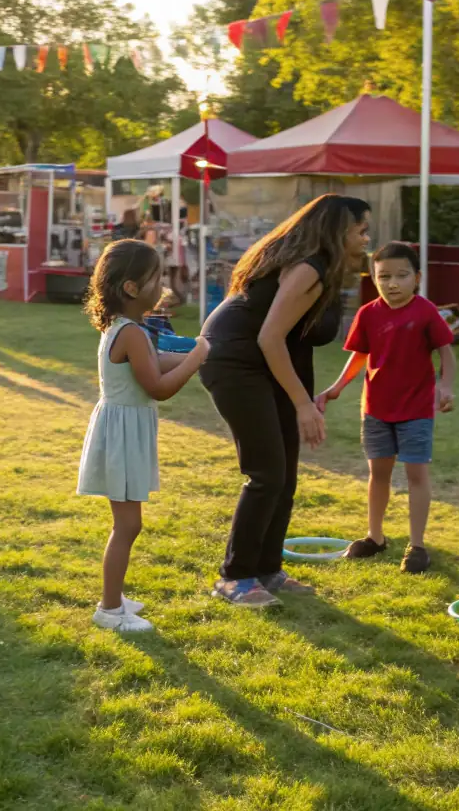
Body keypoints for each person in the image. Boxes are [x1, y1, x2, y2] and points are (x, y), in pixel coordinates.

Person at [200, 194, 372, 607]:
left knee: (285, 473)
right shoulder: (308, 269)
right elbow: (269, 337)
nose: (367, 240)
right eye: (361, 231)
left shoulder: (324, 271)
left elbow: (295, 344)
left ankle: (267, 569)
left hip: (265, 362)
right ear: (337, 232)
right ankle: (234, 578)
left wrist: (305, 398)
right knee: (266, 473)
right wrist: (301, 405)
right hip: (237, 361)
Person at [77, 240, 208, 632]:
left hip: (124, 431)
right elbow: (159, 387)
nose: (163, 285)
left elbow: (155, 363)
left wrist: (197, 355)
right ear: (132, 288)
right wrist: (198, 357)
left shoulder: (128, 329)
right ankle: (109, 610)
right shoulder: (131, 333)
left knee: (128, 524)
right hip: (122, 435)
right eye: (157, 277)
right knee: (128, 526)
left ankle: (114, 599)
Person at [316, 242, 456, 574]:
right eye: (384, 276)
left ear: (417, 278)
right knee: (378, 475)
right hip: (376, 409)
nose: (392, 283)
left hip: (417, 410)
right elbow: (360, 355)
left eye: (401, 276)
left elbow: (446, 352)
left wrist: (446, 385)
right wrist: (336, 388)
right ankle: (375, 537)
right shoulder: (368, 314)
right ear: (374, 278)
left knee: (416, 475)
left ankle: (417, 545)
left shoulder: (425, 312)